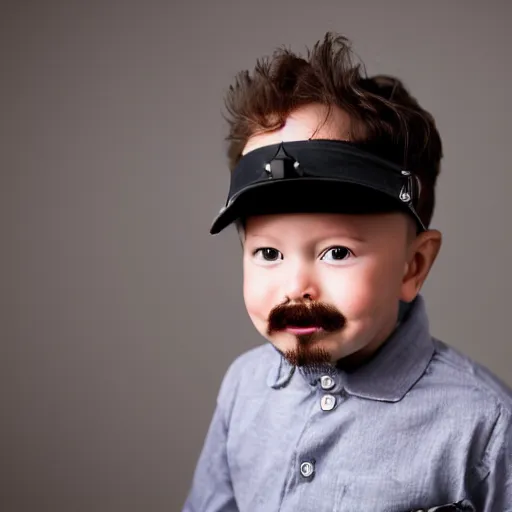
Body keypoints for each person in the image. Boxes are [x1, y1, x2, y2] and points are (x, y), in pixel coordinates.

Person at [182, 33, 512, 512]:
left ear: (413, 265)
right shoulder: (243, 390)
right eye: (268, 254)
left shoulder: (483, 425)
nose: (296, 286)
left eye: (337, 252)